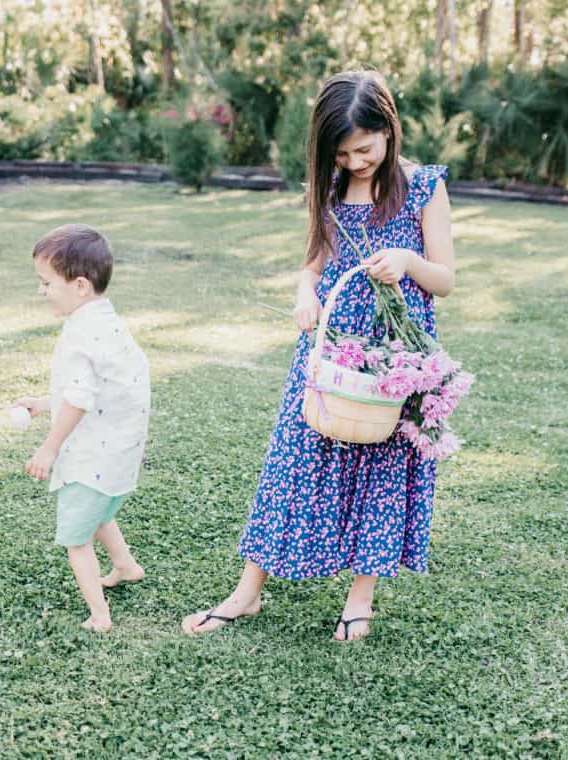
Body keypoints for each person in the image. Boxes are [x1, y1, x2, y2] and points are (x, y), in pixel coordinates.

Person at [182, 71, 456, 642]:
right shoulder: (332, 187)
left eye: (365, 148)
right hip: (328, 349)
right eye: (342, 152)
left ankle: (361, 598)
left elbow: (446, 278)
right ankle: (247, 592)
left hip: (389, 357)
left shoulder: (422, 186)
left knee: (379, 467)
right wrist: (304, 292)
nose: (355, 161)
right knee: (294, 458)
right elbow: (312, 263)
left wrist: (406, 261)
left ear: (389, 130)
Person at [16, 224, 150, 633]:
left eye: (46, 283)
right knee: (99, 510)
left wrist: (49, 448)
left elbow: (79, 398)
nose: (41, 291)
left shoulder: (80, 333)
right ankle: (126, 566)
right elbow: (93, 386)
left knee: (78, 539)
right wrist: (44, 404)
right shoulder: (104, 320)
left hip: (94, 451)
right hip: (119, 449)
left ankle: (100, 615)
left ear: (78, 286)